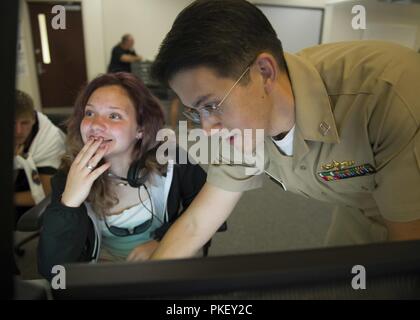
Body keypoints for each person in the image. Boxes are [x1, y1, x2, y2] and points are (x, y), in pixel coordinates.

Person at [148, 0, 420, 260]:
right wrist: (147, 282)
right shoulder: (238, 125)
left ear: (264, 72)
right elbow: (197, 222)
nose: (207, 129)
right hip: (359, 203)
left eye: (211, 104)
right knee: (343, 281)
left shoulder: (387, 98)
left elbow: (406, 252)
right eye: (196, 111)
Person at [37, 72, 206, 280]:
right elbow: (52, 271)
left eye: (114, 116)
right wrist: (68, 203)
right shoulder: (69, 176)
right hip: (101, 278)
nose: (96, 125)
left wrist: (164, 241)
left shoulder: (172, 160)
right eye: (89, 113)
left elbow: (207, 212)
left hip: (163, 268)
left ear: (141, 129)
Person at [14, 90, 66, 224]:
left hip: (31, 201)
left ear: (33, 118)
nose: (18, 131)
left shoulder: (49, 139)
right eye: (12, 123)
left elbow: (45, 194)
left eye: (25, 123)